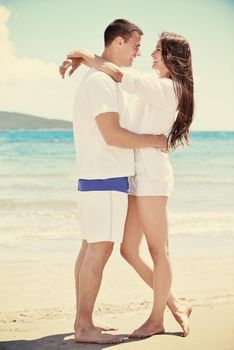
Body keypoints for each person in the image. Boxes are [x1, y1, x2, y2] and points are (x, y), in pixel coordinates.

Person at [60, 30, 194, 339]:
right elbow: (118, 79)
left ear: (171, 56)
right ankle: (176, 303)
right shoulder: (153, 87)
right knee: (129, 250)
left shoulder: (169, 88)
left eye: (157, 51)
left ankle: (158, 318)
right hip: (135, 176)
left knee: (159, 250)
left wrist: (82, 52)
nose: (150, 55)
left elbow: (118, 73)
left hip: (153, 176)